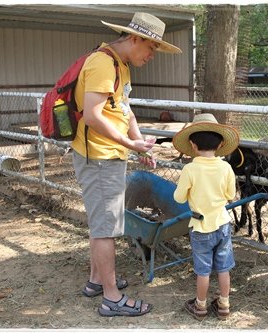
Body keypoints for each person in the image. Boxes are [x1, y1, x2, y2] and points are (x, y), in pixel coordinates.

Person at [71, 12, 182, 317]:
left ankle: (97, 281)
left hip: (110, 154)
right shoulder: (102, 63)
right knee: (105, 228)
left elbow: (125, 111)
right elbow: (93, 115)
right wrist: (129, 144)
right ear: (135, 38)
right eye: (151, 48)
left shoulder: (120, 66)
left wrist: (139, 143)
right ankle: (111, 298)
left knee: (101, 224)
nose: (151, 55)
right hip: (99, 157)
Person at [172, 113, 240, 320]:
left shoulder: (190, 169)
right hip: (222, 224)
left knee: (203, 270)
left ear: (192, 144)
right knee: (223, 267)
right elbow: (230, 195)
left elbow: (178, 197)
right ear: (220, 144)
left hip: (200, 227)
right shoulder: (226, 167)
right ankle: (224, 305)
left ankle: (200, 306)